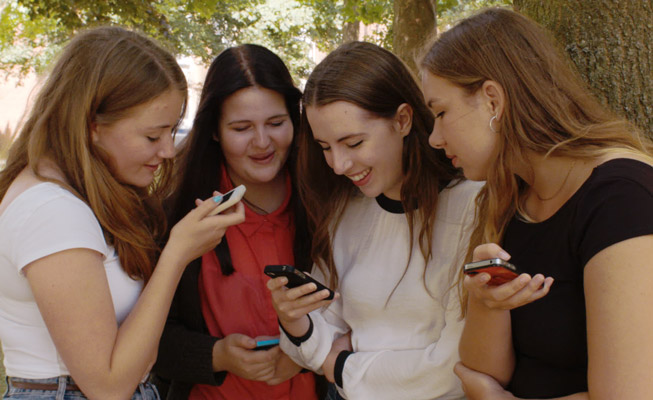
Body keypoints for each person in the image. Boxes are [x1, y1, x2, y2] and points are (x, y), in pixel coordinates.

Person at [420, 7, 653, 400]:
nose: (434, 138)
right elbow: (481, 372)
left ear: (492, 101)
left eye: (441, 113)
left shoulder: (620, 197)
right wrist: (487, 302)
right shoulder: (511, 197)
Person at [0, 27, 245, 399]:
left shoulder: (75, 195)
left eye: (172, 131)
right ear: (93, 126)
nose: (168, 150)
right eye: (152, 136)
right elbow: (108, 385)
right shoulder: (51, 211)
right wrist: (177, 253)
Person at [266, 41, 482, 400]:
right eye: (324, 147)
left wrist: (341, 367)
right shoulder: (345, 209)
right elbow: (319, 336)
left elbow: (456, 369)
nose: (338, 165)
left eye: (352, 143)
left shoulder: (472, 203)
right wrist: (295, 321)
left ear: (402, 120)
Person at [151, 44, 320, 400]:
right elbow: (146, 338)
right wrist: (217, 355)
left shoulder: (325, 204)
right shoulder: (179, 217)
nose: (262, 142)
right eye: (242, 128)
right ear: (213, 130)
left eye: (276, 123)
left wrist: (306, 352)